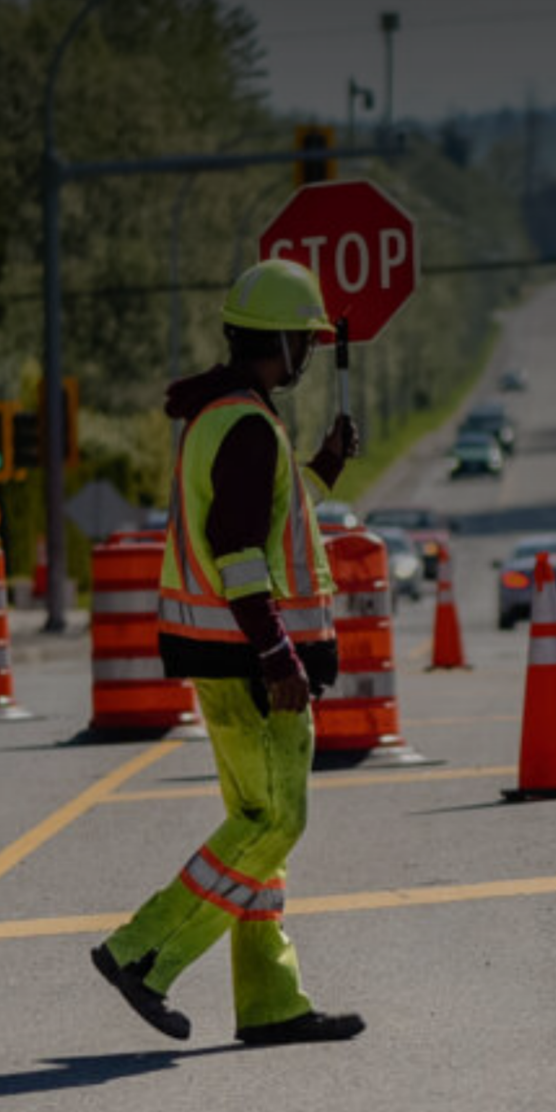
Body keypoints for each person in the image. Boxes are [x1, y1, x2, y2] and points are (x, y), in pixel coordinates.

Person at [91, 258, 365, 1046]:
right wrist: (277, 652)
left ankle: (271, 999)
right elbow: (237, 548)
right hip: (252, 664)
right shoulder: (245, 424)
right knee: (277, 821)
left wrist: (323, 469)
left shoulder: (225, 417)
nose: (309, 355)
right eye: (303, 341)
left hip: (222, 658)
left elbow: (266, 513)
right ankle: (143, 952)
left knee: (256, 822)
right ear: (282, 342)